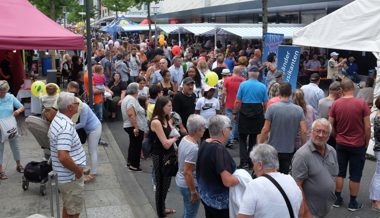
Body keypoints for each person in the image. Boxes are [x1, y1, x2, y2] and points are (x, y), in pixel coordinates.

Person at [329, 78, 371, 211]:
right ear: (353, 88)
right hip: (358, 144)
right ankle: (353, 203)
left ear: (341, 90)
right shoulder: (362, 103)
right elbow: (368, 127)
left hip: (341, 143)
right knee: (355, 174)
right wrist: (366, 142)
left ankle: (337, 199)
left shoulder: (335, 104)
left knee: (340, 172)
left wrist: (336, 136)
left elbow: (330, 124)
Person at [237, 144, 302, 218]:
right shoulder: (291, 180)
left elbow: (243, 216)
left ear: (259, 165)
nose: (253, 169)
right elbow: (300, 212)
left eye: (253, 164)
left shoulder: (254, 185)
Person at [291, 118, 338, 218]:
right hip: (310, 211)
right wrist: (306, 211)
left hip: (325, 208)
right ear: (311, 132)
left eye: (324, 132)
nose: (320, 135)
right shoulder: (302, 155)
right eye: (318, 131)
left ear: (329, 136)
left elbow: (333, 175)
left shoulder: (332, 151)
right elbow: (297, 186)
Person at [49, 92, 86, 218]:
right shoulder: (65, 127)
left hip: (64, 176)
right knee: (74, 212)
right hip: (70, 178)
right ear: (70, 107)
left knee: (68, 207)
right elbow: (63, 156)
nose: (79, 104)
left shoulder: (58, 119)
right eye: (77, 103)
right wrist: (78, 172)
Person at [259, 82, 307, 174]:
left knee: (272, 175)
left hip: (273, 148)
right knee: (284, 174)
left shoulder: (272, 108)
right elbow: (304, 131)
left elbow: (265, 129)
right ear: (290, 93)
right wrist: (303, 146)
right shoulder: (298, 109)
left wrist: (260, 144)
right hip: (289, 149)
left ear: (279, 92)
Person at [196, 115, 239, 218]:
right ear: (224, 131)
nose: (230, 131)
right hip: (219, 204)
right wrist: (241, 178)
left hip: (206, 197)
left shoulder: (205, 143)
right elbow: (227, 181)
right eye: (230, 128)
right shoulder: (219, 150)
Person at [150, 96, 178, 218]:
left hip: (169, 156)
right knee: (161, 185)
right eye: (169, 106)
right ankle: (161, 213)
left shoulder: (166, 119)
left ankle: (163, 207)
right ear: (161, 107)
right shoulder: (156, 122)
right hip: (161, 156)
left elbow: (172, 132)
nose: (171, 108)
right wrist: (174, 139)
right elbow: (166, 144)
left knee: (166, 184)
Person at [234, 66, 268, 169]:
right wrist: (266, 115)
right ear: (258, 74)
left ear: (249, 74)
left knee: (242, 139)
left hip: (244, 111)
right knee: (253, 139)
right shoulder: (262, 86)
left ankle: (243, 161)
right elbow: (266, 103)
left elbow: (238, 101)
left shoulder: (243, 85)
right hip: (257, 112)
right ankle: (250, 161)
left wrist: (235, 113)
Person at [175, 114, 207, 218]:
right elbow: (187, 172)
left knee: (187, 210)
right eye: (203, 127)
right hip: (188, 185)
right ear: (197, 130)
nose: (204, 129)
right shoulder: (194, 148)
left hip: (181, 181)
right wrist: (193, 192)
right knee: (191, 213)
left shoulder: (185, 138)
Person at [0, 80, 24, 180]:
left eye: (3, 91)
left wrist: (17, 111)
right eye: (0, 91)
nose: (1, 93)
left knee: (15, 145)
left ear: (6, 90)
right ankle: (1, 170)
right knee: (0, 149)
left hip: (10, 126)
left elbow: (21, 107)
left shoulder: (10, 97)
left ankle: (18, 164)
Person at [121, 82, 148, 171]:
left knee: (133, 144)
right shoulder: (131, 99)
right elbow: (131, 114)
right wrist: (136, 127)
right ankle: (134, 165)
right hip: (134, 126)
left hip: (130, 125)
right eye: (138, 88)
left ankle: (130, 162)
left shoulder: (127, 98)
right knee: (136, 146)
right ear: (135, 90)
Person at [75, 97, 102, 183]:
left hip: (94, 129)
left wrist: (70, 126)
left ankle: (93, 174)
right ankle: (91, 169)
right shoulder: (80, 107)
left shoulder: (83, 107)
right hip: (91, 130)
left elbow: (82, 124)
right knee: (91, 151)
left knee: (92, 151)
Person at [222, 67, 245, 147]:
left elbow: (223, 92)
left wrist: (222, 102)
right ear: (240, 72)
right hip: (239, 104)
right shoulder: (243, 80)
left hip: (229, 104)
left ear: (233, 72)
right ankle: (236, 137)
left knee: (230, 122)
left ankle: (230, 140)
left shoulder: (227, 79)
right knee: (238, 121)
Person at [370, 96, 380, 211]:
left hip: (378, 147)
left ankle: (374, 197)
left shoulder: (377, 115)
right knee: (379, 175)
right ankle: (376, 201)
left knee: (377, 174)